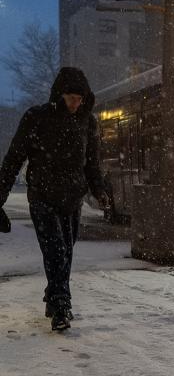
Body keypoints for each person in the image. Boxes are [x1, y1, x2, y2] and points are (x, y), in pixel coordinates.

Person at [0, 67, 108, 331]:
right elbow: (14, 158)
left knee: (66, 253)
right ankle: (61, 307)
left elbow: (91, 163)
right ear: (60, 95)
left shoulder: (88, 121)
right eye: (71, 98)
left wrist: (99, 190)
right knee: (56, 252)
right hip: (42, 197)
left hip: (73, 199)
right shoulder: (37, 118)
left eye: (79, 99)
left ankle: (53, 296)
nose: (75, 104)